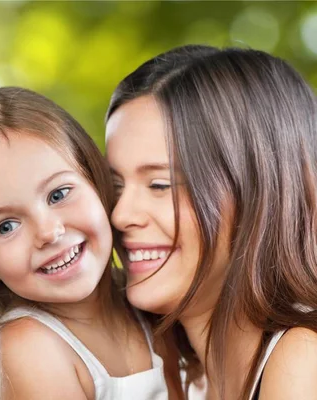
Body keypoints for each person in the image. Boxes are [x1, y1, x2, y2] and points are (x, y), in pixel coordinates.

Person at [0, 87, 176, 399]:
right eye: (6, 226)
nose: (49, 232)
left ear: (96, 180)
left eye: (58, 194)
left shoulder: (147, 294)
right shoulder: (29, 348)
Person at [105, 45, 317, 400]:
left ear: (255, 192)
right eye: (115, 186)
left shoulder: (303, 359)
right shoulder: (179, 377)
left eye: (160, 185)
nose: (120, 215)